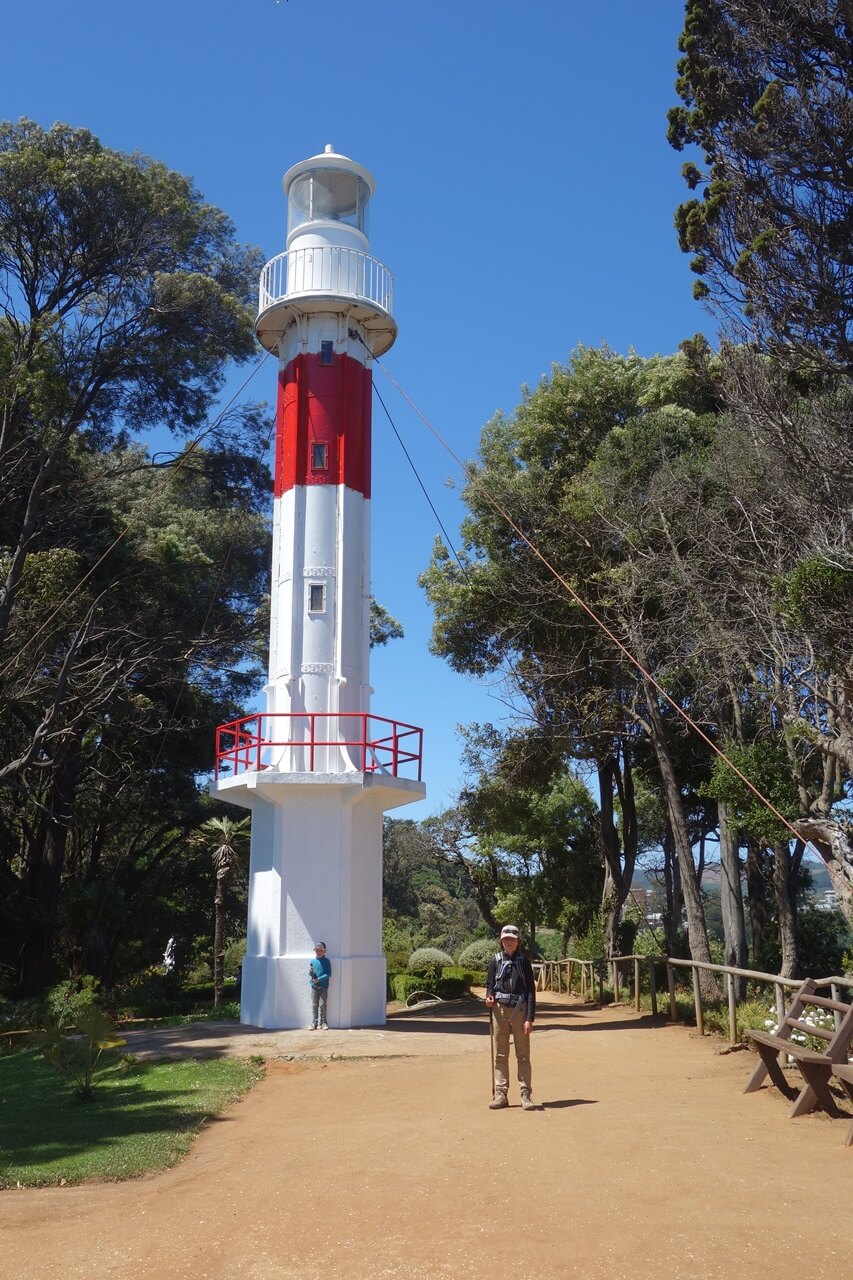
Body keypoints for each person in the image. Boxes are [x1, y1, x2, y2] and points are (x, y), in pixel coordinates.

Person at [485, 924, 536, 1110]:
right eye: (506, 939)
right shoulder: (495, 961)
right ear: (501, 941)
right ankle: (501, 1094)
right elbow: (490, 984)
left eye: (512, 939)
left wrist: (530, 1018)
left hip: (520, 1010)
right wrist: (489, 996)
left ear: (518, 941)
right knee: (500, 1054)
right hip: (499, 1010)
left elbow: (531, 991)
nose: (509, 942)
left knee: (523, 1055)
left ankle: (525, 1094)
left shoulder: (524, 962)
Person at [308, 941, 331, 1029]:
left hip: (323, 987)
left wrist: (319, 979)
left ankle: (324, 1022)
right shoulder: (313, 961)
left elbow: (328, 974)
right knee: (314, 1005)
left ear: (324, 951)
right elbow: (311, 973)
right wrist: (311, 973)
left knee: (323, 1005)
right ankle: (314, 1022)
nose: (319, 952)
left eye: (321, 950)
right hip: (314, 986)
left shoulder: (326, 961)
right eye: (317, 950)